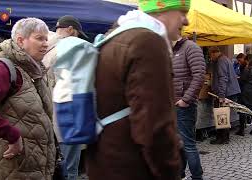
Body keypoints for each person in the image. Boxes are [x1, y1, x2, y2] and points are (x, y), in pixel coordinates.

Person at [86, 1, 189, 180]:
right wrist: (170, 172)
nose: (186, 21)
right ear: (161, 7)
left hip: (106, 160)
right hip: (132, 166)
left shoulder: (115, 35)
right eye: (182, 11)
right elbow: (154, 127)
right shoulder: (148, 41)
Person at [0, 18, 56, 180]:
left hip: (26, 169)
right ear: (21, 40)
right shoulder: (5, 68)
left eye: (46, 39)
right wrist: (11, 135)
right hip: (7, 169)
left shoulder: (34, 72)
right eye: (39, 38)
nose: (45, 44)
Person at [43, 15, 88, 180]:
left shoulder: (47, 49)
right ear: (71, 30)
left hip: (49, 116)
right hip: (68, 118)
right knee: (71, 171)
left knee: (56, 166)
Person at [172, 37, 205, 179]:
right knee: (178, 144)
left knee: (188, 145)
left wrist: (186, 100)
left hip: (184, 105)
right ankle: (180, 175)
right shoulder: (171, 49)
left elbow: (199, 75)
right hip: (172, 104)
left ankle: (197, 177)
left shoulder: (191, 47)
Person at [209, 46, 241, 145]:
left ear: (214, 53)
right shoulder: (225, 59)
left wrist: (221, 95)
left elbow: (223, 78)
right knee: (223, 114)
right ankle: (223, 137)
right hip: (229, 91)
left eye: (211, 56)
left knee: (221, 114)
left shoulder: (221, 61)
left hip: (225, 93)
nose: (211, 58)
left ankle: (222, 138)